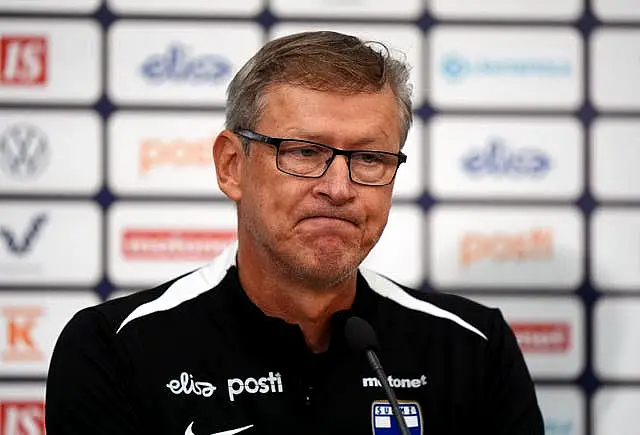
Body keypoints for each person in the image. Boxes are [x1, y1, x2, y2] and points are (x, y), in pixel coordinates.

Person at [45, 31, 544, 435]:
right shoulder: (115, 348)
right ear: (231, 166)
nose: (339, 188)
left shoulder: (472, 346)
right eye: (304, 152)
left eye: (369, 158)